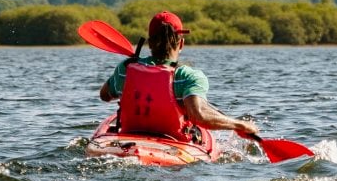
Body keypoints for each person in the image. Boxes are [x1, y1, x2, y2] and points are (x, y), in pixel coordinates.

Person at [98, 11, 259, 140]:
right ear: (181, 43)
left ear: (150, 43)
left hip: (128, 139)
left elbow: (104, 95)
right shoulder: (188, 76)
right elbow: (199, 116)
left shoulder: (126, 68)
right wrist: (240, 125)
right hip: (173, 145)